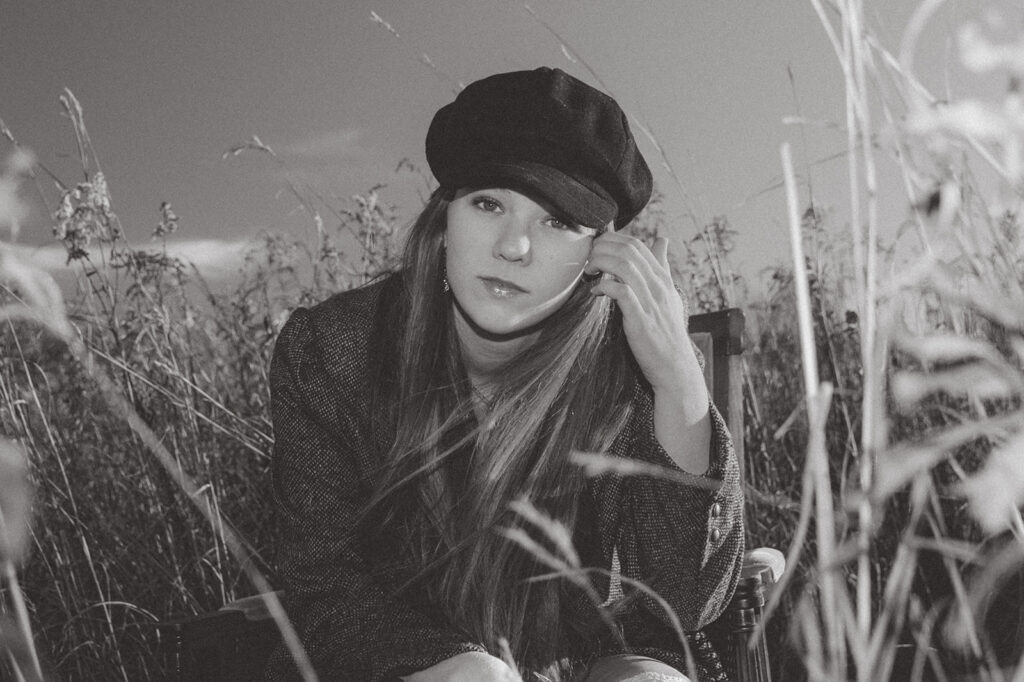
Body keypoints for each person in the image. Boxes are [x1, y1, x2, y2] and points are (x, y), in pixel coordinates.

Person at [263, 67, 743, 682]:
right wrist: (451, 665)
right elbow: (319, 582)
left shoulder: (625, 368)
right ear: (445, 221)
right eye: (489, 203)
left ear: (599, 251)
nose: (513, 246)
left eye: (557, 220)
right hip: (391, 657)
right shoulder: (332, 354)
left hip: (594, 657)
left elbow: (682, 605)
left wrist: (679, 381)